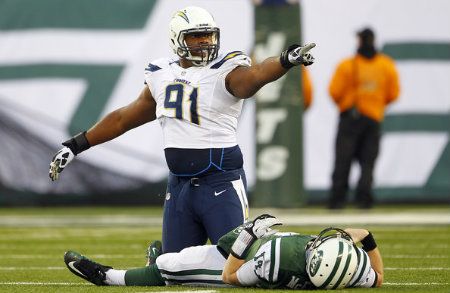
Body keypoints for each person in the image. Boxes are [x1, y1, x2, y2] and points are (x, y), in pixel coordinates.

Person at [48, 6, 316, 253]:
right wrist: (76, 144)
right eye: (195, 36)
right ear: (178, 39)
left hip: (219, 181)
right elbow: (123, 119)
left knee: (236, 262)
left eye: (208, 35)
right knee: (172, 267)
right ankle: (157, 261)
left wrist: (284, 60)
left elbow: (254, 76)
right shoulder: (161, 72)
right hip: (179, 186)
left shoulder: (227, 68)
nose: (204, 42)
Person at [63, 214, 383, 289]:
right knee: (178, 258)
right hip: (259, 245)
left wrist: (247, 235)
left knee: (171, 267)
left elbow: (230, 276)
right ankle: (151, 260)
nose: (320, 239)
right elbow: (378, 277)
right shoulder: (352, 272)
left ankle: (108, 277)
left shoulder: (273, 263)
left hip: (246, 257)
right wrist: (364, 237)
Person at [328, 27, 400, 209]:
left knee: (343, 160)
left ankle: (338, 200)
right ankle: (364, 199)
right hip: (373, 118)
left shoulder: (347, 65)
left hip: (350, 118)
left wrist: (347, 104)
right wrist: (376, 104)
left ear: (359, 41)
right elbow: (394, 93)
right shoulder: (386, 65)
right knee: (368, 162)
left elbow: (334, 91)